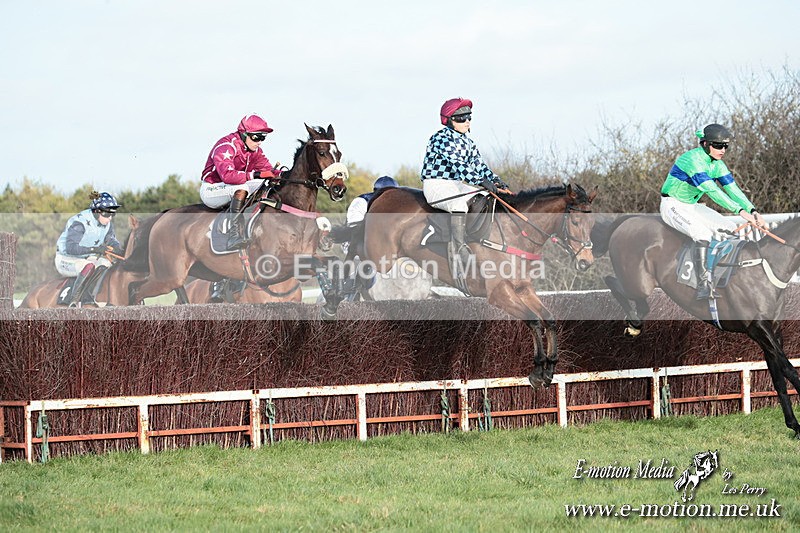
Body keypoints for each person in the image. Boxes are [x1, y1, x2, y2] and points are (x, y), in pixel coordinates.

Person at [660, 123, 766, 299]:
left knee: (731, 229)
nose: (722, 149)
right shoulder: (692, 160)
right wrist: (739, 210)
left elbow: (733, 190)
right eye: (718, 145)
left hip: (693, 207)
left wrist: (753, 210)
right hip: (673, 205)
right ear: (705, 144)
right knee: (702, 234)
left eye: (725, 146)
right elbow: (712, 191)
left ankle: (726, 276)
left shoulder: (717, 164)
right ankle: (703, 285)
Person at [420, 97, 507, 287]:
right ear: (450, 120)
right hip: (437, 185)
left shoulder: (468, 142)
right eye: (461, 118)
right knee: (459, 204)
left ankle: (479, 240)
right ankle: (459, 248)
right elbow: (459, 166)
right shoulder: (440, 138)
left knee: (485, 197)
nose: (467, 121)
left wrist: (495, 180)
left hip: (456, 185)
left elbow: (479, 166)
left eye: (469, 117)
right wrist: (481, 181)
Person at [200, 114, 280, 251]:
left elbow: (269, 171)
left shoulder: (255, 151)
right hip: (212, 189)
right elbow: (227, 176)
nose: (260, 141)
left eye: (263, 137)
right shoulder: (226, 146)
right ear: (244, 134)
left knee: (266, 184)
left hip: (231, 187)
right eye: (257, 137)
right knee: (243, 186)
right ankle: (234, 235)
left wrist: (286, 175)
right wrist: (256, 174)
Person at [55, 191, 123, 305]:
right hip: (66, 259)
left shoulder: (107, 224)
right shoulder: (79, 223)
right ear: (97, 212)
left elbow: (111, 240)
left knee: (106, 264)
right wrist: (95, 250)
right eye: (107, 214)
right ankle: (73, 302)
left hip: (85, 257)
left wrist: (121, 251)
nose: (110, 218)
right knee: (88, 266)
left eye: (112, 214)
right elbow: (71, 248)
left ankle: (98, 297)